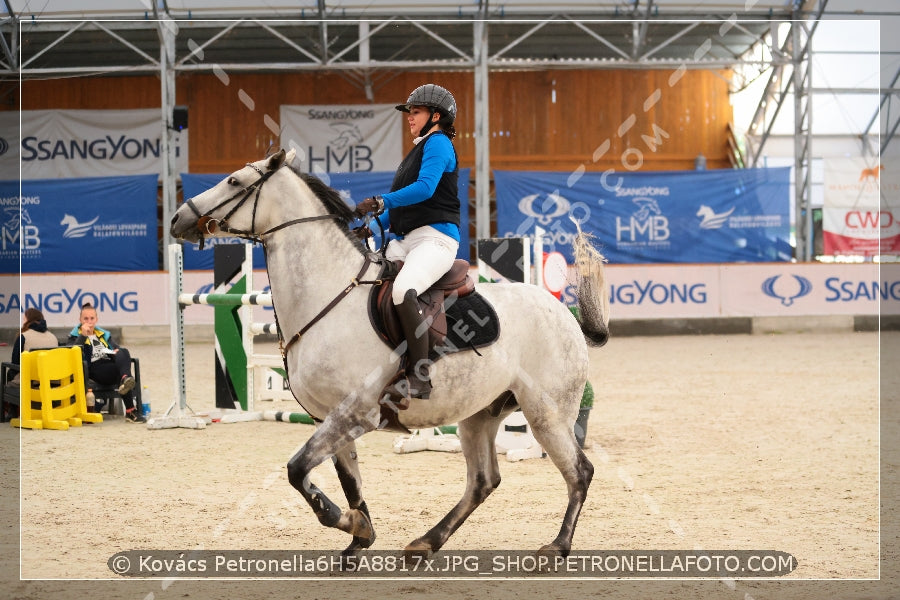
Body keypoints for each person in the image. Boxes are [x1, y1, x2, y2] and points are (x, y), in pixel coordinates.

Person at [353, 83, 460, 404]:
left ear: (436, 116)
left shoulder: (438, 143)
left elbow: (426, 190)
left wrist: (380, 201)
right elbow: (403, 207)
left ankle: (421, 372)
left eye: (416, 112)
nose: (409, 118)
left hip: (436, 239)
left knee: (402, 291)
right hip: (405, 239)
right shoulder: (417, 150)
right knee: (363, 279)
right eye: (410, 113)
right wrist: (369, 230)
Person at [67, 302, 145, 423]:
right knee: (121, 368)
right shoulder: (74, 336)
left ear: (96, 319)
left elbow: (116, 350)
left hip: (109, 363)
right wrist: (82, 336)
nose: (89, 321)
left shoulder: (103, 334)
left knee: (123, 351)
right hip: (93, 369)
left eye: (92, 318)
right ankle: (130, 410)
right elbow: (71, 353)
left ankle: (125, 379)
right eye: (85, 318)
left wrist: (115, 352)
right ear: (80, 320)